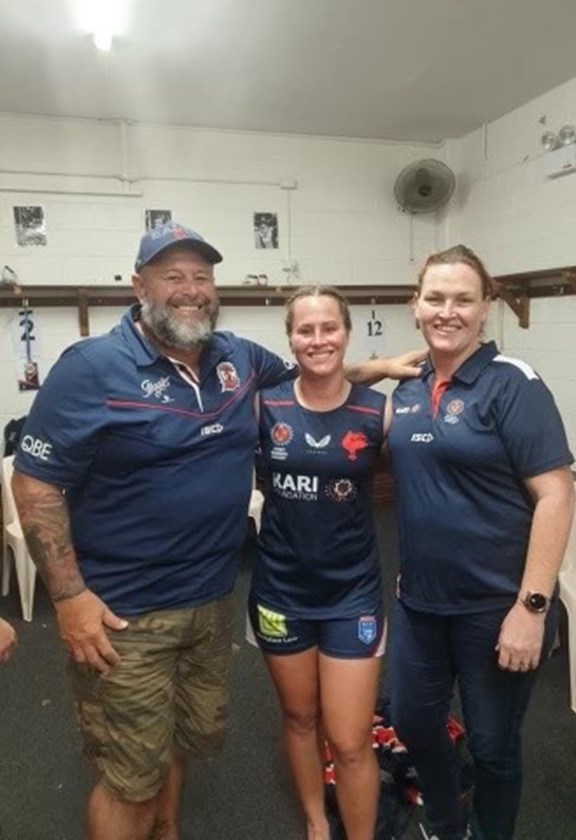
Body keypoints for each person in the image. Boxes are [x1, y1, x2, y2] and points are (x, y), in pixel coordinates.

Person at [11, 221, 420, 840]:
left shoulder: (237, 358)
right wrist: (68, 597)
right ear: (139, 286)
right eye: (172, 276)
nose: (191, 289)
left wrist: (379, 367)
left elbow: (316, 378)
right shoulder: (91, 367)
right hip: (125, 614)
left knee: (176, 745)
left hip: (210, 602)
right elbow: (36, 483)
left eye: (201, 276)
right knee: (130, 779)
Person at [386, 245, 575, 840]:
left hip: (496, 609)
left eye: (463, 299)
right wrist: (373, 368)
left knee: (493, 746)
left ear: (485, 307)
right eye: (435, 298)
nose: (448, 311)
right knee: (413, 723)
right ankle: (447, 824)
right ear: (416, 306)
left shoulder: (512, 384)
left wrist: (532, 608)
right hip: (419, 603)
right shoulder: (409, 388)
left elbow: (556, 495)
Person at [248, 286, 388, 840]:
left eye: (329, 327)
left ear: (346, 333)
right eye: (305, 330)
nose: (318, 339)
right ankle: (315, 821)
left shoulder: (379, 410)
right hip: (280, 593)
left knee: (350, 739)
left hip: (352, 595)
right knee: (301, 718)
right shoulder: (266, 405)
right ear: (290, 340)